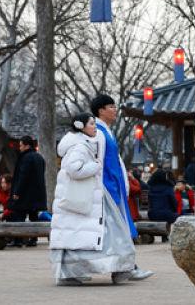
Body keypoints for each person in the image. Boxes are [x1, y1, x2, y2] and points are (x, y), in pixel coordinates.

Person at [51, 112, 131, 286]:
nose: (95, 127)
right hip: (85, 198)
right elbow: (74, 169)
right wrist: (95, 166)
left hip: (86, 198)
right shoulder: (80, 146)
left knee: (79, 237)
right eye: (92, 124)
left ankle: (74, 272)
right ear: (82, 127)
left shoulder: (82, 143)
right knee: (108, 232)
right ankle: (120, 268)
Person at [91, 94, 153, 282]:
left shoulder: (104, 130)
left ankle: (125, 268)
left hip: (113, 186)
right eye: (111, 106)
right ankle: (126, 268)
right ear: (101, 110)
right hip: (107, 187)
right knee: (116, 231)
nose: (115, 109)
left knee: (117, 231)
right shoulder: (98, 131)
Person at [10, 135, 47, 247]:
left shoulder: (25, 158)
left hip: (25, 193)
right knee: (33, 216)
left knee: (19, 215)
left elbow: (23, 176)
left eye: (21, 145)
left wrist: (17, 192)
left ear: (27, 145)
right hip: (37, 193)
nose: (19, 148)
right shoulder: (39, 157)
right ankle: (33, 239)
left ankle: (18, 240)